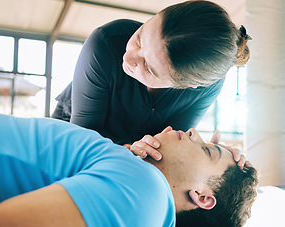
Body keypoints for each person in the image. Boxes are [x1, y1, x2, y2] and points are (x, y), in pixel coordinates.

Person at [0, 112, 258, 227]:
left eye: (208, 150)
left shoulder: (142, 194)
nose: (194, 132)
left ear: (202, 197)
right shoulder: (135, 176)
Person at [51, 0, 251, 161]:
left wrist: (212, 160)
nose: (128, 57)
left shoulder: (207, 87)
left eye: (148, 66)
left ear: (189, 85)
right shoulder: (106, 42)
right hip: (73, 135)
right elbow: (82, 138)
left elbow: (167, 147)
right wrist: (128, 151)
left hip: (138, 153)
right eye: (139, 38)